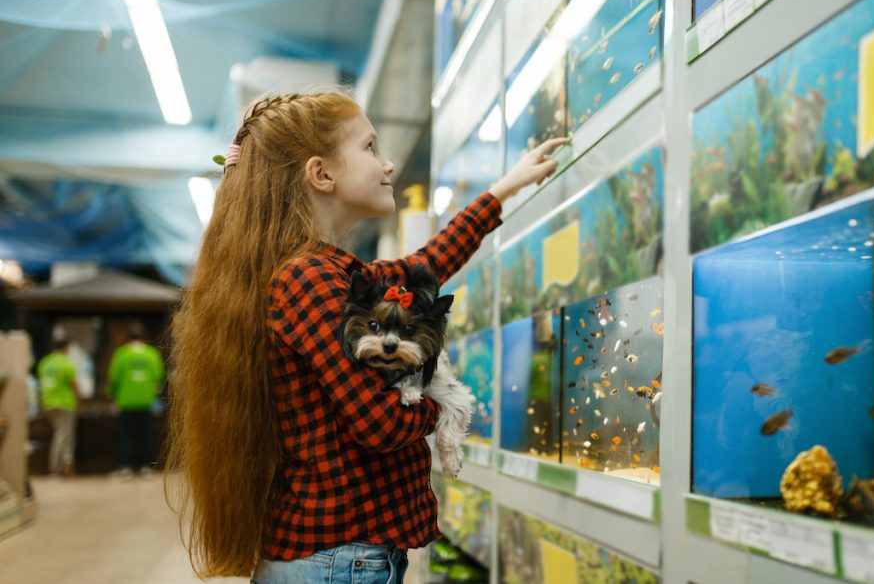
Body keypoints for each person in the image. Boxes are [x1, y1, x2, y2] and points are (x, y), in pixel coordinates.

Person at [167, 87, 566, 582]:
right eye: (370, 147)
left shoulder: (329, 272)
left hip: (341, 558)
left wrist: (501, 191)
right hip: (338, 560)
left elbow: (424, 266)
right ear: (321, 173)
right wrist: (450, 404)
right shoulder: (309, 278)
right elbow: (381, 423)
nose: (389, 163)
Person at [107, 323, 165, 479]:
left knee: (125, 435)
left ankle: (125, 467)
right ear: (143, 338)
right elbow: (159, 377)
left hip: (125, 401)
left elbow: (114, 379)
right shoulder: (152, 354)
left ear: (128, 338)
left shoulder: (121, 354)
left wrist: (113, 396)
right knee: (146, 434)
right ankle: (147, 467)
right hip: (146, 401)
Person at [37, 338, 80, 478]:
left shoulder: (44, 363)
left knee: (61, 435)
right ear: (66, 348)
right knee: (63, 436)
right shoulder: (66, 364)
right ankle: (55, 469)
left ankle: (66, 464)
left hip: (47, 403)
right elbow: (74, 386)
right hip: (64, 404)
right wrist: (79, 400)